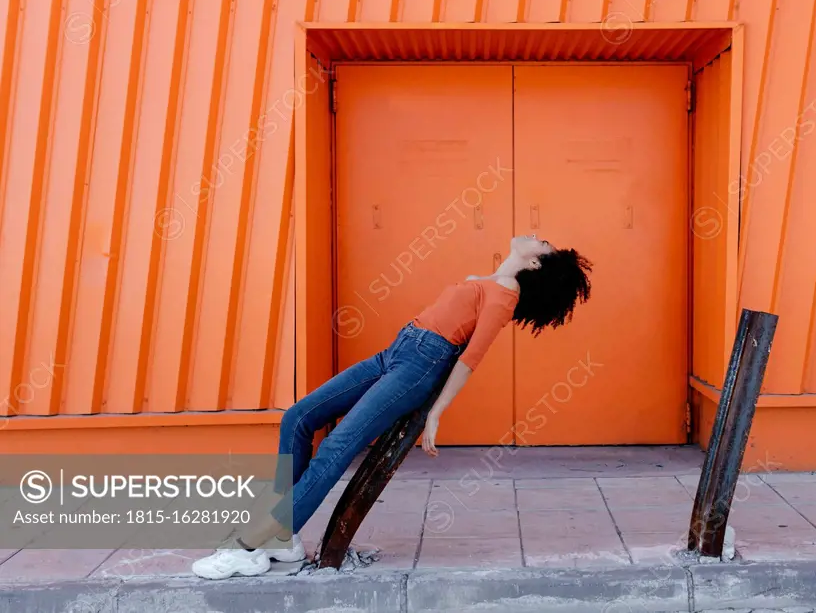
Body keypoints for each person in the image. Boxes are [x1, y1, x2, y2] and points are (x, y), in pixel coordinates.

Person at [191, 234, 592, 579]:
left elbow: (471, 358)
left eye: (542, 243)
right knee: (298, 418)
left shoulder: (506, 293)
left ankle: (249, 546)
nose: (536, 234)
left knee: (336, 448)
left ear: (535, 261)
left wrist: (435, 414)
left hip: (420, 363)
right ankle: (282, 536)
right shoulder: (493, 281)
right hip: (400, 350)